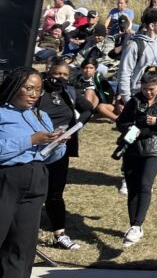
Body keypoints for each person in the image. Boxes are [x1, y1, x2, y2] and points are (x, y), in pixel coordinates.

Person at [0, 68, 69, 277]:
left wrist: (57, 144)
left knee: (22, 245)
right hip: (6, 180)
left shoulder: (41, 116)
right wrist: (30, 140)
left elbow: (48, 157)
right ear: (13, 86)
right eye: (28, 88)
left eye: (38, 90)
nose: (33, 94)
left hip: (36, 180)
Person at [115, 69, 157, 247]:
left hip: (156, 148)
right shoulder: (135, 100)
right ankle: (134, 226)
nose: (147, 92)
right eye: (144, 89)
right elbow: (120, 122)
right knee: (132, 186)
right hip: (133, 146)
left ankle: (137, 225)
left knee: (145, 184)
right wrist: (134, 126)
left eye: (151, 89)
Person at [35, 60, 93, 251]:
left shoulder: (69, 92)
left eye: (64, 75)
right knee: (33, 191)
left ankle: (59, 235)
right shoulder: (37, 91)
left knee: (55, 194)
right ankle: (27, 230)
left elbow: (88, 109)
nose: (60, 78)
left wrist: (75, 128)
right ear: (48, 72)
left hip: (60, 151)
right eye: (57, 73)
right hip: (36, 149)